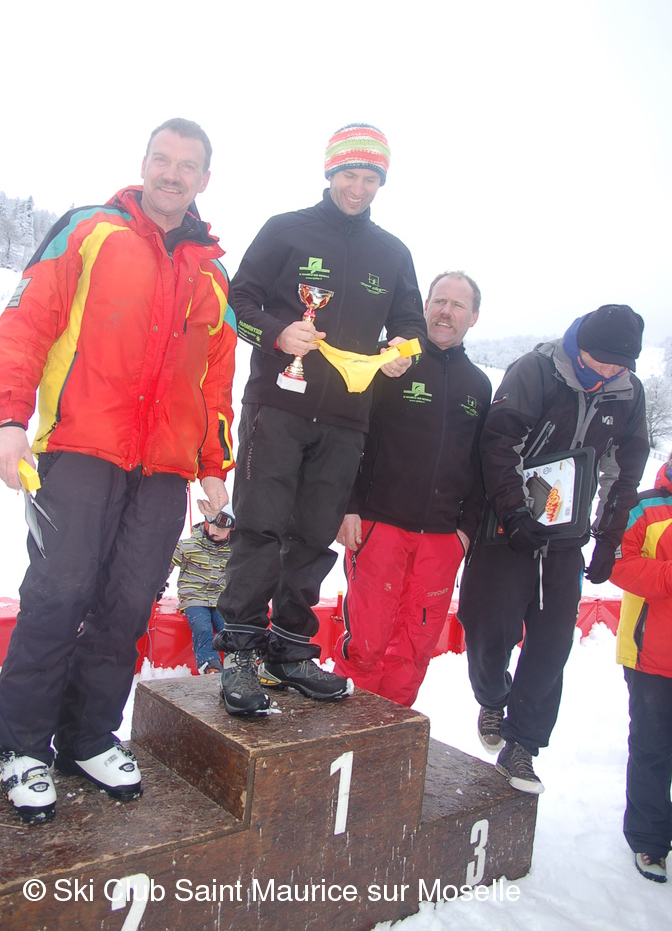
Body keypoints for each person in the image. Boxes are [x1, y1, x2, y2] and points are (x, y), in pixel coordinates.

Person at [0, 119, 236, 824]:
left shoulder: (211, 272)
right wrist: (8, 418)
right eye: (162, 159)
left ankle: (89, 736)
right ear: (144, 163)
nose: (171, 173)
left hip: (162, 470)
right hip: (79, 448)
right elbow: (26, 324)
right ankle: (19, 746)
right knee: (59, 593)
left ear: (203, 179)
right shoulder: (90, 229)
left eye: (186, 165)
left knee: (127, 605)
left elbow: (215, 382)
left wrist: (213, 466)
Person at [216, 123, 427, 716]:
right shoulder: (286, 229)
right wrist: (276, 332)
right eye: (349, 175)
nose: (358, 188)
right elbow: (237, 301)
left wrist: (402, 353)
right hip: (277, 403)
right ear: (330, 172)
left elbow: (409, 325)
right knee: (260, 526)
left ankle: (289, 648)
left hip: (347, 415)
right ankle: (240, 651)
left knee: (312, 533)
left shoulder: (393, 253)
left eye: (370, 179)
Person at [458, 304, 648, 794]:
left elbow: (625, 470)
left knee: (551, 646)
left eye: (620, 365)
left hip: (566, 539)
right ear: (580, 346)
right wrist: (515, 513)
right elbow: (499, 444)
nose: (610, 371)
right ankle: (492, 697)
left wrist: (608, 539)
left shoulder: (628, 392)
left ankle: (522, 746)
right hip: (506, 529)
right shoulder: (536, 371)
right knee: (487, 629)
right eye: (603, 360)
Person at [333, 271, 491, 706]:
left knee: (414, 651)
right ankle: (347, 731)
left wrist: (466, 532)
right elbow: (351, 435)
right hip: (379, 526)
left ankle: (391, 735)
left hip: (442, 539)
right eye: (439, 301)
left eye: (458, 305)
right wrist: (348, 504)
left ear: (474, 317)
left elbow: (482, 467)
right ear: (425, 306)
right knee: (367, 643)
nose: (446, 312)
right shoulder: (392, 362)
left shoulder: (478, 385)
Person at [610, 452, 672, 884]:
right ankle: (650, 840)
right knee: (652, 749)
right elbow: (617, 564)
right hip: (651, 654)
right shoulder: (644, 506)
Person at [171, 512, 234, 674]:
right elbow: (166, 561)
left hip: (220, 599)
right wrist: (157, 584)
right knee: (202, 626)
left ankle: (235, 659)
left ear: (231, 529)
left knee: (227, 625)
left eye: (222, 528)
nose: (216, 530)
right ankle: (209, 663)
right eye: (213, 525)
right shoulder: (189, 546)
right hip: (194, 597)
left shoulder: (233, 550)